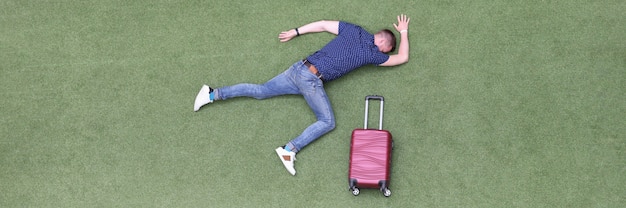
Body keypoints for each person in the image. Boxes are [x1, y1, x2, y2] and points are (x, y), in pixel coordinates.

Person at [194, 14, 410, 175]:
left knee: (260, 91)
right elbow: (402, 58)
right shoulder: (372, 53)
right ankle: (289, 149)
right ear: (383, 45)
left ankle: (213, 94)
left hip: (299, 68)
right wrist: (404, 31)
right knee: (327, 122)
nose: (384, 53)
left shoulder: (354, 30)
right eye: (386, 50)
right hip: (311, 80)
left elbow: (324, 24)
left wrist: (296, 31)